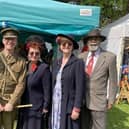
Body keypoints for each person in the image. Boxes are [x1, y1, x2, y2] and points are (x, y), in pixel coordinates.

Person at [79, 29, 118, 129]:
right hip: (82, 101)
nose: (93, 41)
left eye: (96, 38)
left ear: (100, 41)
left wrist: (111, 100)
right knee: (84, 126)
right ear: (87, 42)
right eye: (90, 39)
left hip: (99, 101)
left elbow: (113, 81)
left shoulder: (110, 57)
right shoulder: (80, 57)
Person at [50, 34, 85, 129]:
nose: (66, 46)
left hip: (69, 105)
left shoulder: (78, 63)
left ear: (73, 47)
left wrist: (77, 108)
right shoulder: (55, 63)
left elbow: (80, 87)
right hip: (55, 103)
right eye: (63, 43)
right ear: (60, 46)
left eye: (69, 44)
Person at [16, 35, 51, 129]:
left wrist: (45, 108)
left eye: (37, 53)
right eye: (31, 53)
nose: (34, 55)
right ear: (28, 54)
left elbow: (47, 91)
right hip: (24, 108)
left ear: (40, 54)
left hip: (36, 110)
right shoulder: (25, 67)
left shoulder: (44, 68)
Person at [0, 27, 27, 129]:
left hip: (10, 103)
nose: (10, 41)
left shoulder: (21, 62)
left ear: (16, 41)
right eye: (7, 39)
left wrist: (11, 103)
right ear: (3, 40)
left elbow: (21, 84)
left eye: (13, 39)